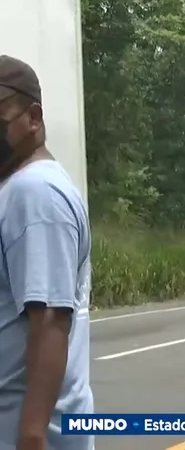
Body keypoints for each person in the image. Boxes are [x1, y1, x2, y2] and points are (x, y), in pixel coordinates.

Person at [0, 55, 94, 450]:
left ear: (33, 118)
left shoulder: (35, 193)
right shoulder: (22, 189)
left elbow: (52, 318)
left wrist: (32, 434)